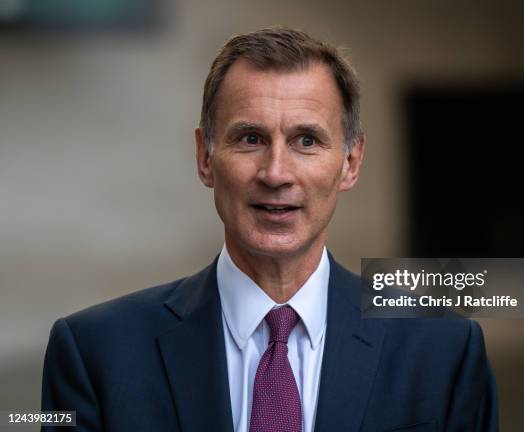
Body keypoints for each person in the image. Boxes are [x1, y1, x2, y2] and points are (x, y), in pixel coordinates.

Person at [41, 27, 498, 432]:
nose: (276, 172)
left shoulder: (444, 349)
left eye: (306, 140)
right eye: (250, 138)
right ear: (205, 158)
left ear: (350, 163)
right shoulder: (93, 353)